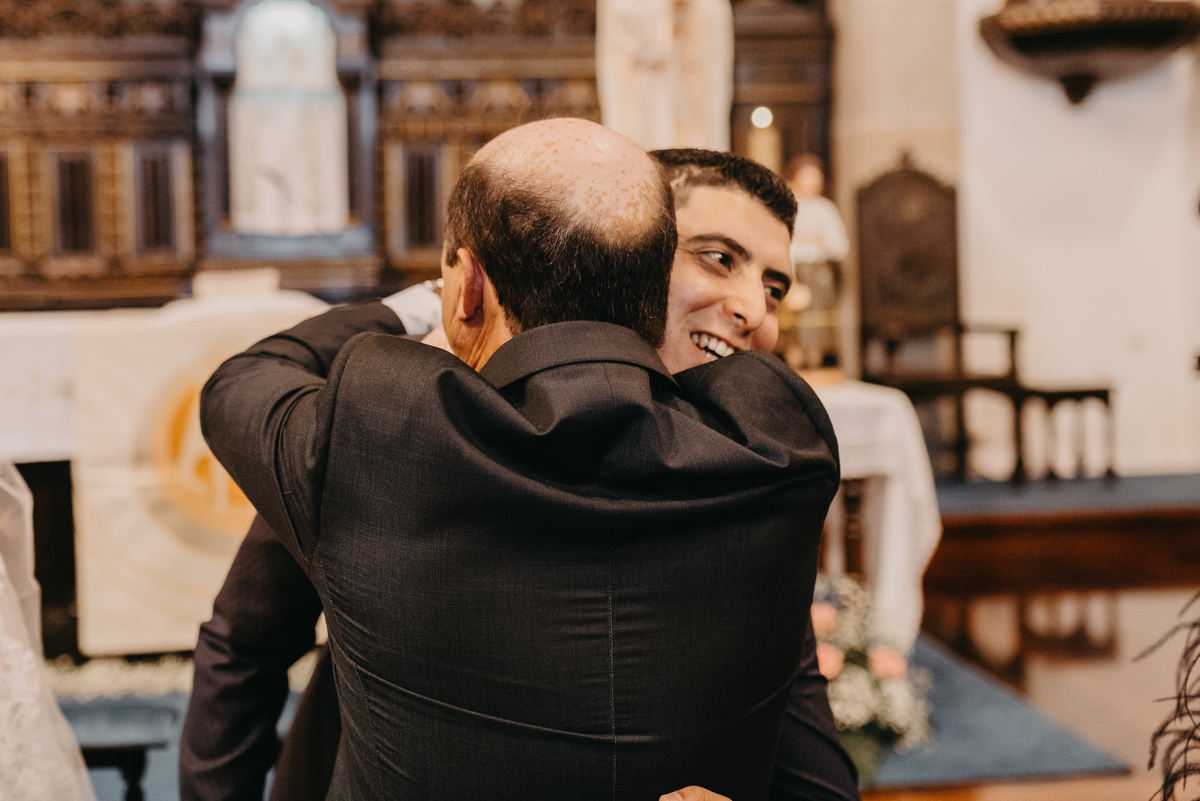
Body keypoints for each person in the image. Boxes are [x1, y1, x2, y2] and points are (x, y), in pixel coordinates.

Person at [187, 130, 853, 799]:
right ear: (622, 254)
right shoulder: (389, 424)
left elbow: (808, 760)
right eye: (718, 259)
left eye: (773, 287)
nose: (752, 310)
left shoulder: (755, 478)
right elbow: (246, 646)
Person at [778, 155, 849, 371]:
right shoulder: (785, 207)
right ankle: (793, 370)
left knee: (816, 327)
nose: (812, 181)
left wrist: (818, 242)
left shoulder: (825, 209)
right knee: (791, 328)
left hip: (817, 273)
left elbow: (840, 245)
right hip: (790, 270)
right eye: (807, 176)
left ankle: (816, 365)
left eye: (816, 177)